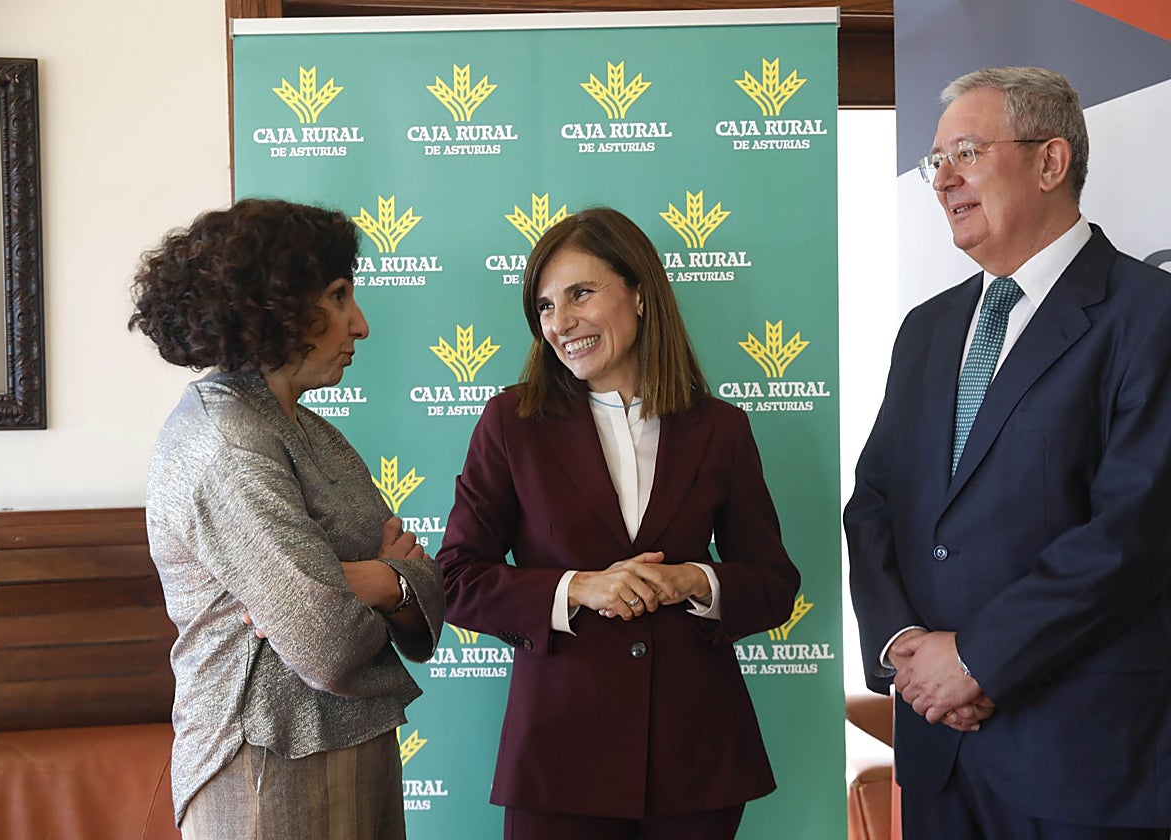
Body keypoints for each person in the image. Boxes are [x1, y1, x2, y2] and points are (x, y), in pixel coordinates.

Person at [845, 67, 1171, 838]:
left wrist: (978, 659)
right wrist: (903, 648)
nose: (942, 180)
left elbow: (1132, 531)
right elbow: (876, 503)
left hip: (1079, 760)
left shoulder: (1150, 316)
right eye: (934, 162)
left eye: (965, 152)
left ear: (1051, 161)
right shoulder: (926, 329)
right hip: (938, 755)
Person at [436, 206, 801, 839]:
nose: (561, 322)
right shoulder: (511, 424)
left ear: (639, 292)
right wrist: (578, 588)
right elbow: (456, 579)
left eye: (581, 293)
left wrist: (694, 581)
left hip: (697, 761)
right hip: (558, 759)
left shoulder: (720, 428)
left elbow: (773, 583)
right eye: (545, 306)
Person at [129, 198, 445, 839]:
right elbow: (327, 642)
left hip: (358, 746)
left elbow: (426, 596)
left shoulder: (310, 430)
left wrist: (374, 581)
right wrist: (382, 584)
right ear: (274, 305)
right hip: (263, 762)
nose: (360, 325)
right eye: (338, 297)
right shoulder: (228, 442)